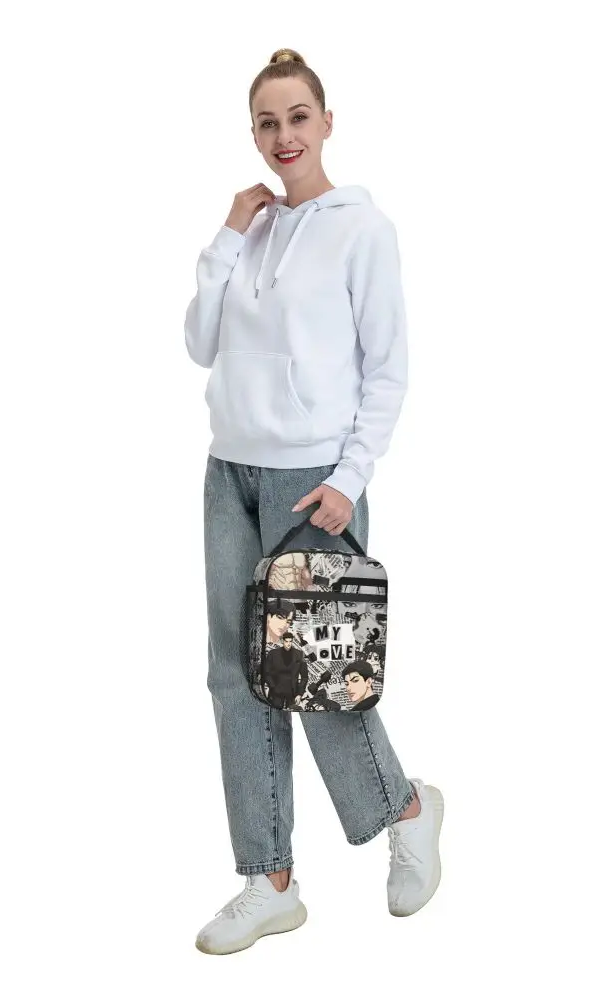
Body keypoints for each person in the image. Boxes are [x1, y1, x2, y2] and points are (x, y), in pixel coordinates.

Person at [185, 47, 444, 956]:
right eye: (267, 122)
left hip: (311, 484)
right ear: (253, 134)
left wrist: (350, 478)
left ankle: (405, 810)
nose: (283, 135)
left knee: (318, 674)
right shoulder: (251, 233)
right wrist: (228, 234)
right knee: (236, 676)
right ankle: (269, 880)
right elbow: (200, 342)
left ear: (326, 123)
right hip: (230, 472)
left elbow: (389, 369)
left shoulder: (362, 230)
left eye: (298, 117)